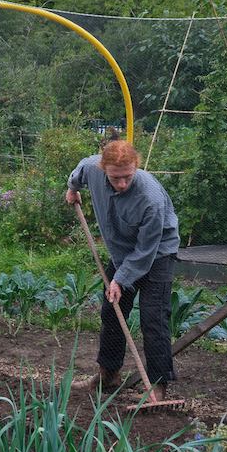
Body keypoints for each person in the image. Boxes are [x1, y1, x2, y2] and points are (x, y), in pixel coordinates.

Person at [65, 139, 179, 401]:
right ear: (104, 169)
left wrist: (120, 279)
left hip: (157, 253)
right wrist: (72, 189)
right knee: (112, 311)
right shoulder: (93, 168)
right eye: (116, 178)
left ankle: (158, 387)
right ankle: (108, 375)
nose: (122, 184)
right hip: (122, 253)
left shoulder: (149, 197)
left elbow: (145, 251)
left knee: (153, 318)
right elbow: (81, 169)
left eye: (127, 177)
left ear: (136, 167)